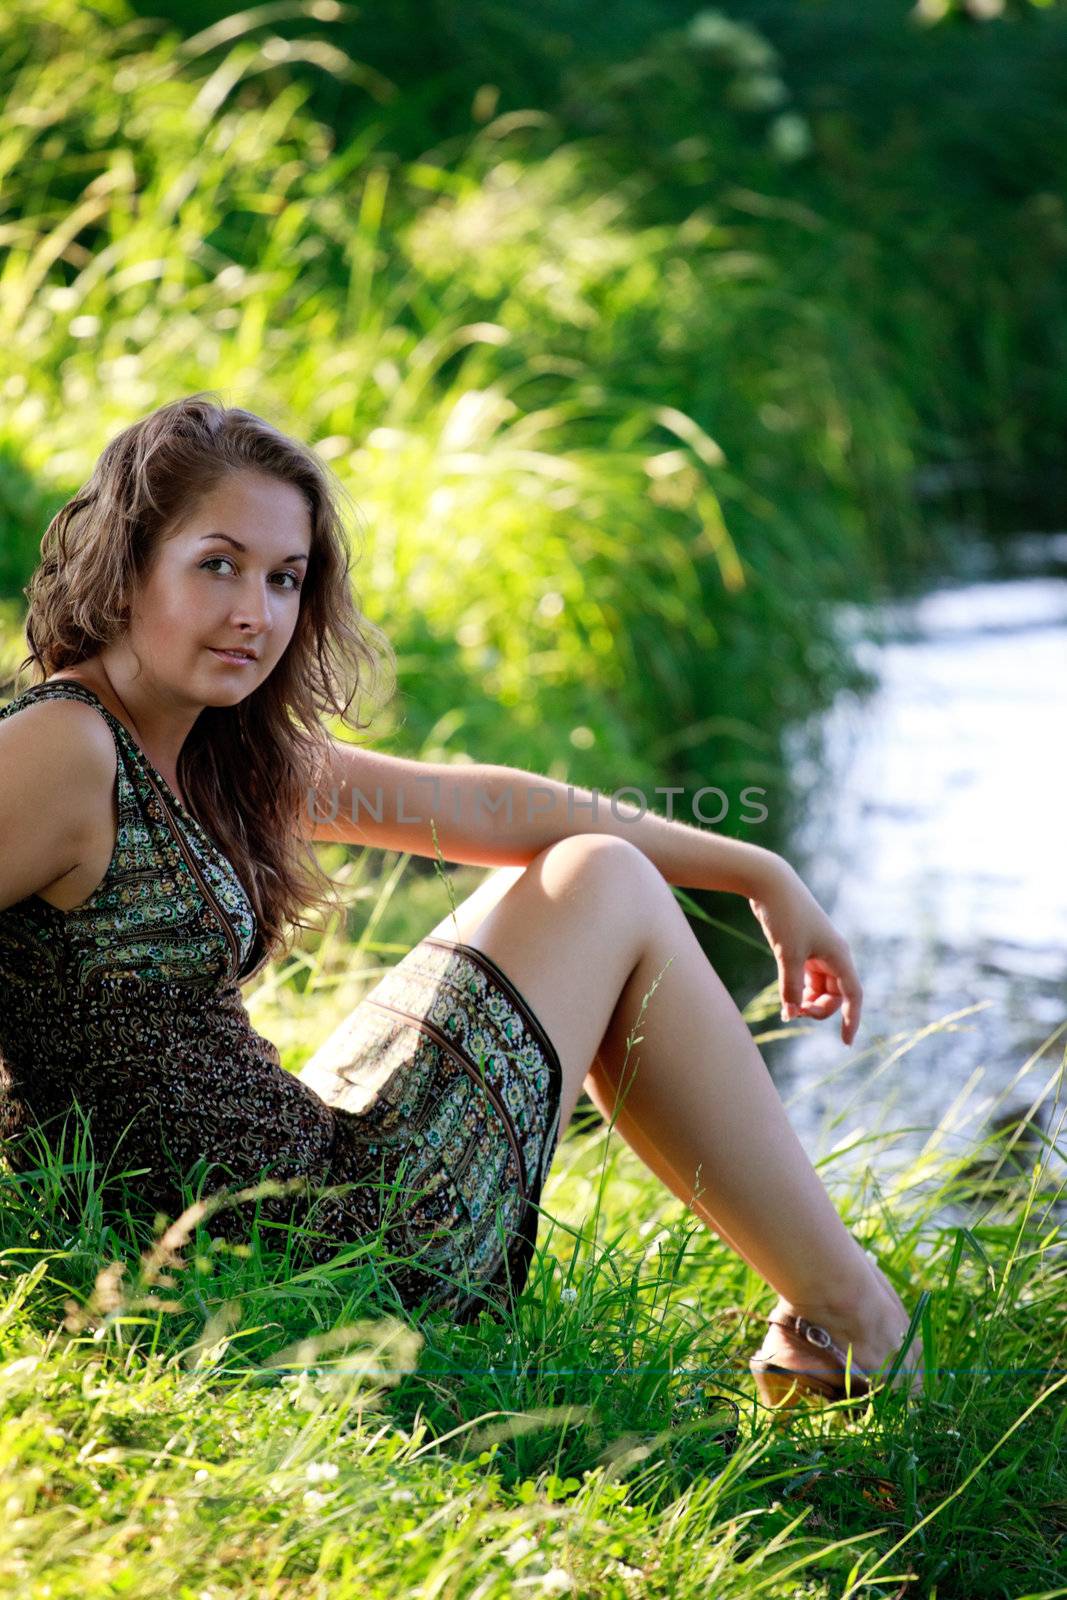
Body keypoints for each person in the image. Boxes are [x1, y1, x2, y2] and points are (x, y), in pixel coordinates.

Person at [0, 393, 920, 1404]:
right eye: (216, 564)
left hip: (270, 1198)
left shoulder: (215, 746)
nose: (253, 612)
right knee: (607, 879)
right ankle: (857, 1327)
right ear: (127, 565)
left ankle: (839, 1327)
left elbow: (482, 802)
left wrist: (757, 870)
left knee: (587, 866)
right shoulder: (67, 746)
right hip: (326, 1255)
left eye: (283, 578)